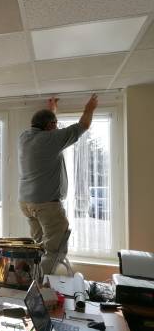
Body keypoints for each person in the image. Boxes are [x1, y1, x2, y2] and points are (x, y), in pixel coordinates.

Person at [18, 94, 98, 275]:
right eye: (55, 124)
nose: (56, 127)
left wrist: (51, 111)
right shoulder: (50, 140)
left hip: (26, 203)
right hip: (46, 204)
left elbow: (48, 129)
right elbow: (83, 126)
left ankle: (27, 279)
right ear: (50, 126)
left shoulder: (24, 137)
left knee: (39, 246)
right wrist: (90, 108)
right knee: (55, 250)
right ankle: (39, 285)